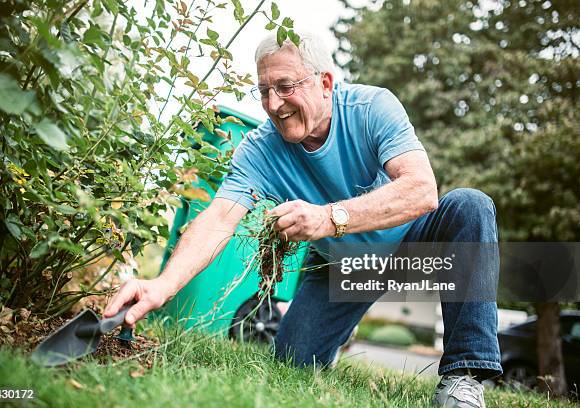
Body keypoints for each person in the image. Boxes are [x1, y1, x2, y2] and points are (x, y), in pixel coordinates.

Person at [104, 32, 501, 408]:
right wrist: (162, 285)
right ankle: (335, 335)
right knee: (292, 362)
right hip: (339, 266)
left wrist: (330, 218)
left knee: (470, 205)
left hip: (410, 242)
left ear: (325, 83)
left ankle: (462, 377)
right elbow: (218, 218)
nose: (274, 104)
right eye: (264, 91)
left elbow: (421, 190)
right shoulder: (260, 150)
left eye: (285, 86)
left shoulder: (371, 108)